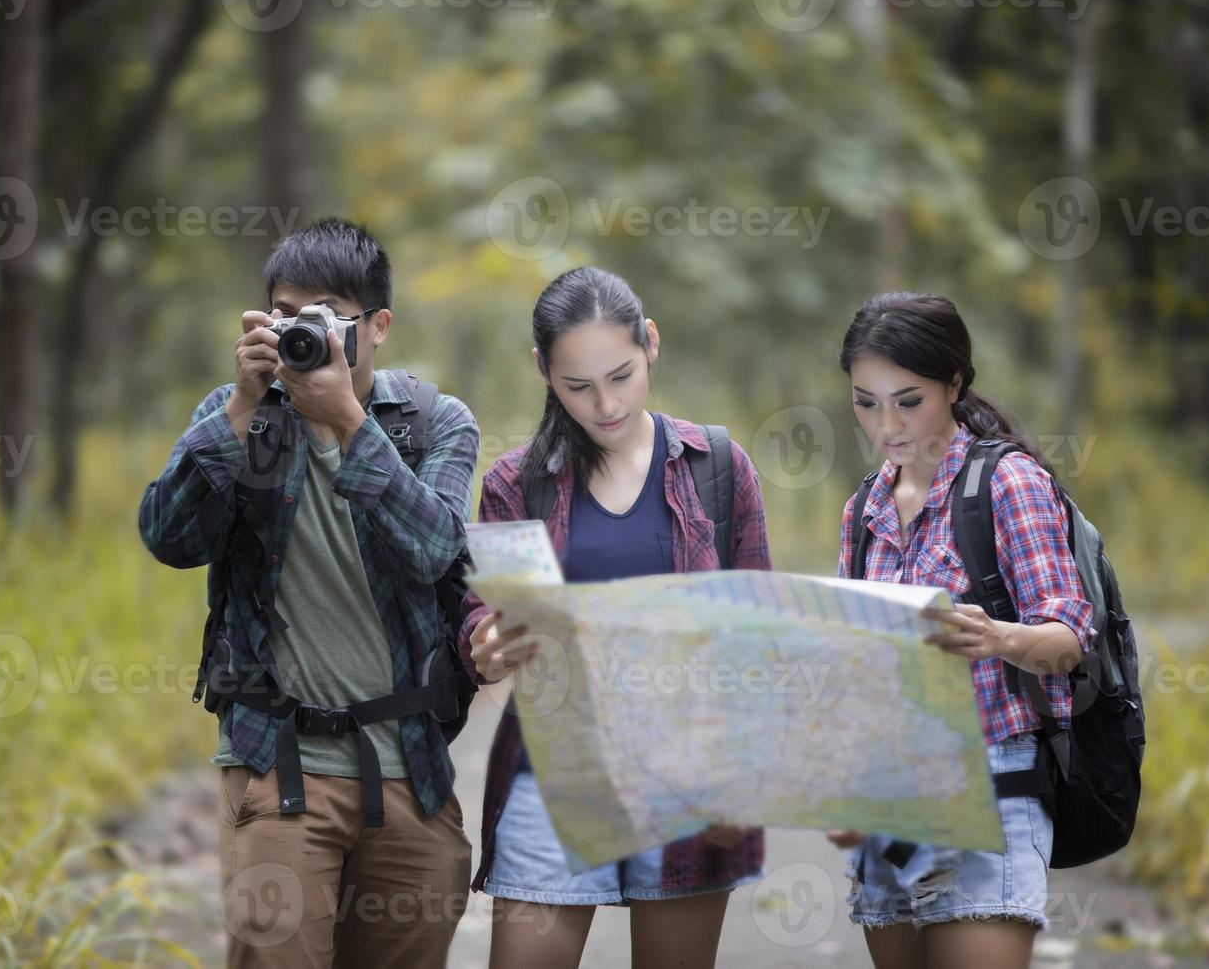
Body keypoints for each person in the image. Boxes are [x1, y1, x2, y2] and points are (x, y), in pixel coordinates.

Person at [138, 218, 479, 969]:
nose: (306, 333)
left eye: (327, 317)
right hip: (276, 766)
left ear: (378, 326)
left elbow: (433, 549)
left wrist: (347, 421)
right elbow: (168, 539)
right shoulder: (236, 415)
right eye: (288, 315)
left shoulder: (433, 424)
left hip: (409, 772)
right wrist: (237, 410)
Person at [458, 266, 770, 969]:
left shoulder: (716, 466)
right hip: (556, 775)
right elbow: (485, 613)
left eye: (621, 375)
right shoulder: (516, 484)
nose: (605, 404)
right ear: (542, 370)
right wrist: (483, 641)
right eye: (578, 386)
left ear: (651, 343)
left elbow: (757, 636)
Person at [828, 291, 1095, 968]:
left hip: (989, 794)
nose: (886, 423)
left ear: (953, 383)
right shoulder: (863, 509)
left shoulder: (1007, 484)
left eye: (907, 400)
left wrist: (998, 637)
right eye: (866, 401)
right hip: (888, 806)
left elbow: (1068, 639)